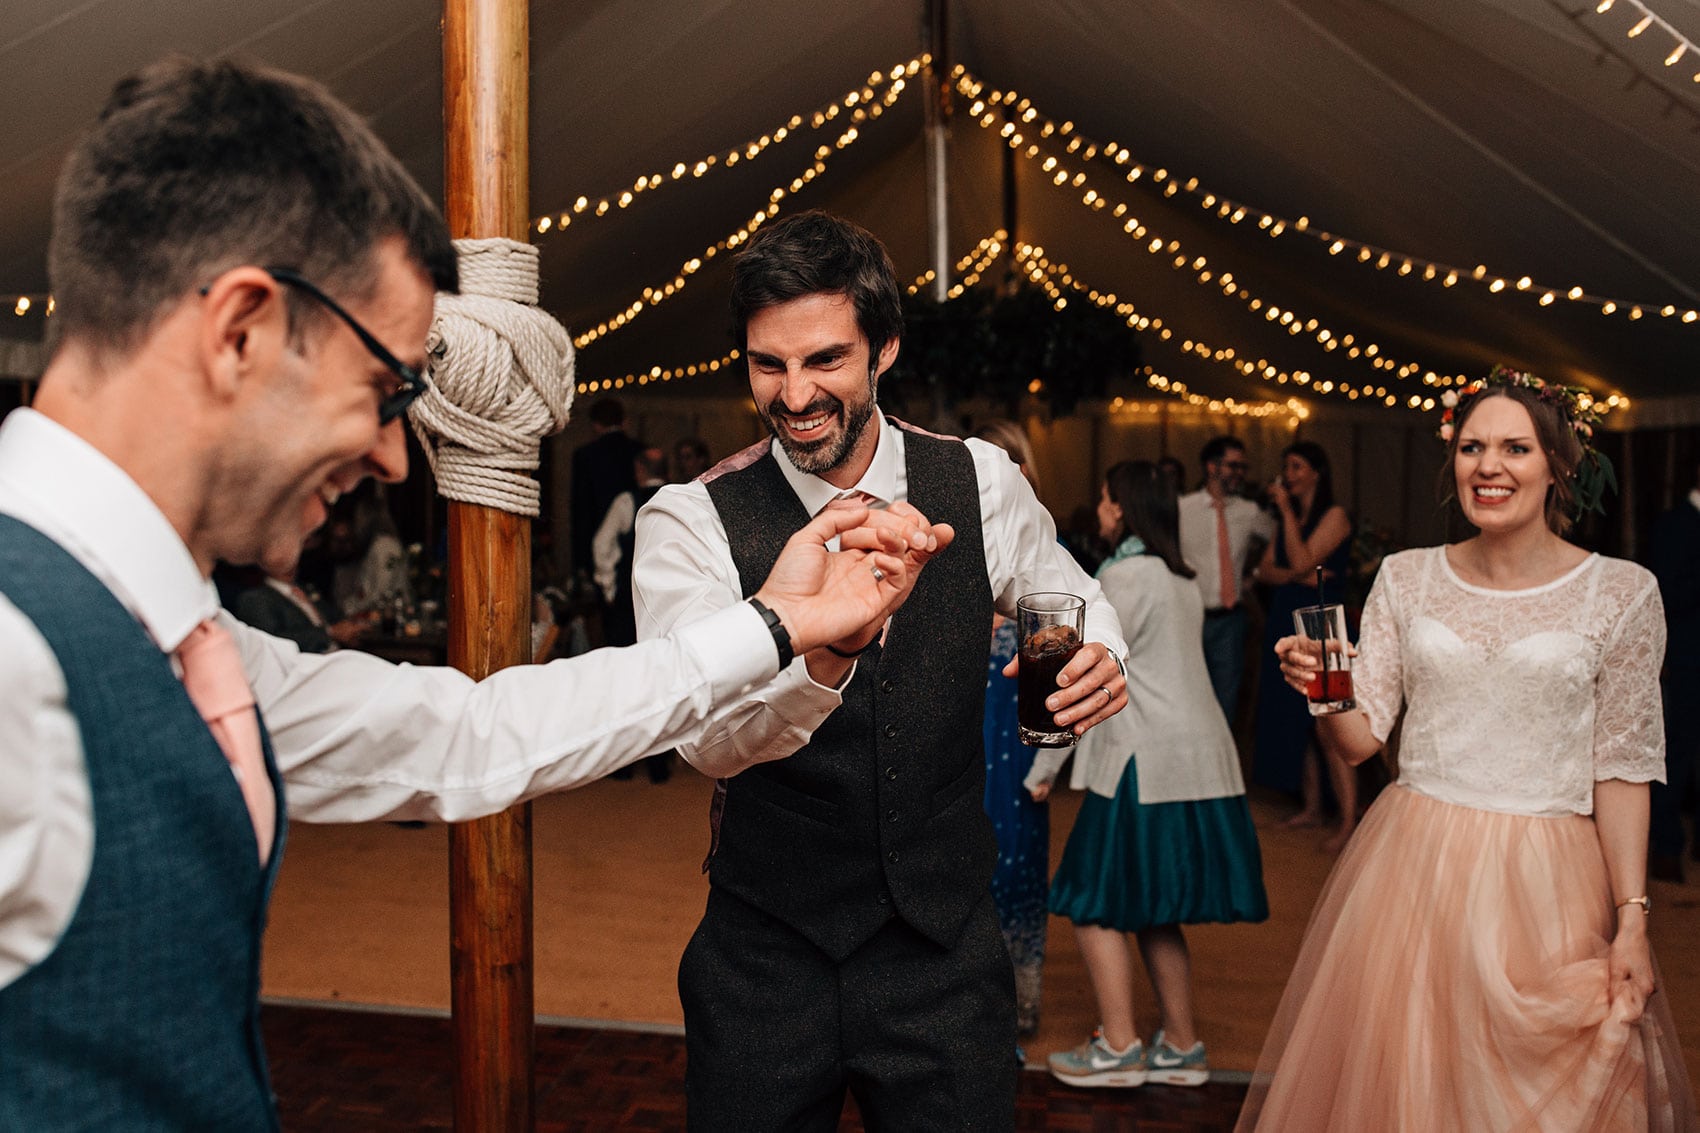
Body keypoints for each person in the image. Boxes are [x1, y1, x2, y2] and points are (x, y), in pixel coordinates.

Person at [0, 57, 951, 1129]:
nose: (398, 458)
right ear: (241, 332)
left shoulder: (176, 635)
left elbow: (463, 732)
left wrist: (775, 623)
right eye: (388, 388)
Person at [633, 210, 1129, 1132]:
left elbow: (1069, 593)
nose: (794, 394)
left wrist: (1098, 652)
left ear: (884, 348)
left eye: (825, 359)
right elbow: (703, 739)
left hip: (944, 950)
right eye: (767, 364)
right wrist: (822, 658)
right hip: (765, 959)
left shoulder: (978, 480)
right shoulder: (689, 521)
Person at [1238, 371, 1698, 1130]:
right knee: (1408, 1089)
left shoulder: (1621, 592)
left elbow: (1621, 765)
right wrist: (1324, 688)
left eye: (1517, 447)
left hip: (1549, 877)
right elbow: (1359, 743)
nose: (1490, 466)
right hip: (1413, 872)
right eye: (1473, 446)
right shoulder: (1407, 577)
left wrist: (1634, 919)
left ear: (1559, 463)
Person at [1030, 461, 1267, 1090]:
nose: (1102, 511)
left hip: (1145, 762)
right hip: (1200, 762)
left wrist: (1043, 764)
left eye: (1108, 501)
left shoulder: (1124, 576)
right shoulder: (1180, 576)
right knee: (1155, 909)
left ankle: (1118, 1046)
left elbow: (1083, 675)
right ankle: (1183, 1046)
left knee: (1092, 899)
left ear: (1125, 508)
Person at [971, 418, 1051, 1037]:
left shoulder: (1043, 556)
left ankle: (1018, 1001)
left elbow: (1058, 678)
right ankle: (967, 998)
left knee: (1015, 861)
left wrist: (1049, 763)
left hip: (1017, 742)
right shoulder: (954, 541)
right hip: (966, 737)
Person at [1250, 440, 1356, 851]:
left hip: (1324, 624)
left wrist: (1297, 564)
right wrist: (1304, 573)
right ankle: (1312, 808)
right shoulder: (1290, 517)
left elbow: (1295, 560)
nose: (1288, 475)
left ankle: (1347, 819)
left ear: (1317, 472)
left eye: (1296, 467)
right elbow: (1266, 570)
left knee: (1329, 721)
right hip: (1288, 614)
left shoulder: (1336, 515)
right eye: (1286, 466)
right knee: (1300, 718)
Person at [1178, 436, 1275, 723]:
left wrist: (1257, 574)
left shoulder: (1249, 512)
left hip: (1231, 620)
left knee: (1225, 704)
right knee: (1188, 698)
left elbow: (1279, 543)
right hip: (1189, 617)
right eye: (1233, 466)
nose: (1240, 473)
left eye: (1243, 467)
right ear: (1211, 467)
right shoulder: (1183, 508)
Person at [593, 444, 675, 781]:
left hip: (629, 603)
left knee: (626, 680)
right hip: (668, 602)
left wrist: (609, 585)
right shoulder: (680, 496)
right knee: (666, 677)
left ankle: (625, 765)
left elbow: (602, 545)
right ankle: (660, 765)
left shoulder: (626, 501)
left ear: (639, 470)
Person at [1648, 459, 1699, 883]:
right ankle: (1665, 849)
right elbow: (1663, 591)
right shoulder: (1675, 524)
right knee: (1675, 753)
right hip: (1684, 658)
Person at [570, 396, 643, 578]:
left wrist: (581, 562)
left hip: (597, 538)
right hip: (636, 540)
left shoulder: (585, 455)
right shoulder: (639, 450)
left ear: (595, 425)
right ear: (625, 421)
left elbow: (581, 509)